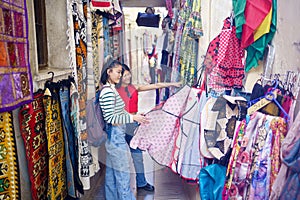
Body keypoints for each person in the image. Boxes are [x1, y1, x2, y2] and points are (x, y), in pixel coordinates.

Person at [116, 63, 182, 192]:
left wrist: (171, 84)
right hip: (120, 124)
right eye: (125, 75)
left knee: (137, 154)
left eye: (129, 74)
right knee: (123, 156)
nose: (128, 76)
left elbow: (154, 85)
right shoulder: (114, 91)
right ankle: (125, 186)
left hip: (134, 123)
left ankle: (140, 183)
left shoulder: (133, 87)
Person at [99, 59, 148, 200]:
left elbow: (119, 112)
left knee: (111, 175)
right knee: (123, 175)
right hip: (115, 137)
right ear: (109, 72)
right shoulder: (108, 92)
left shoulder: (110, 89)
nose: (120, 75)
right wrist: (133, 119)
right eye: (118, 72)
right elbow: (111, 119)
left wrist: (135, 116)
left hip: (114, 137)